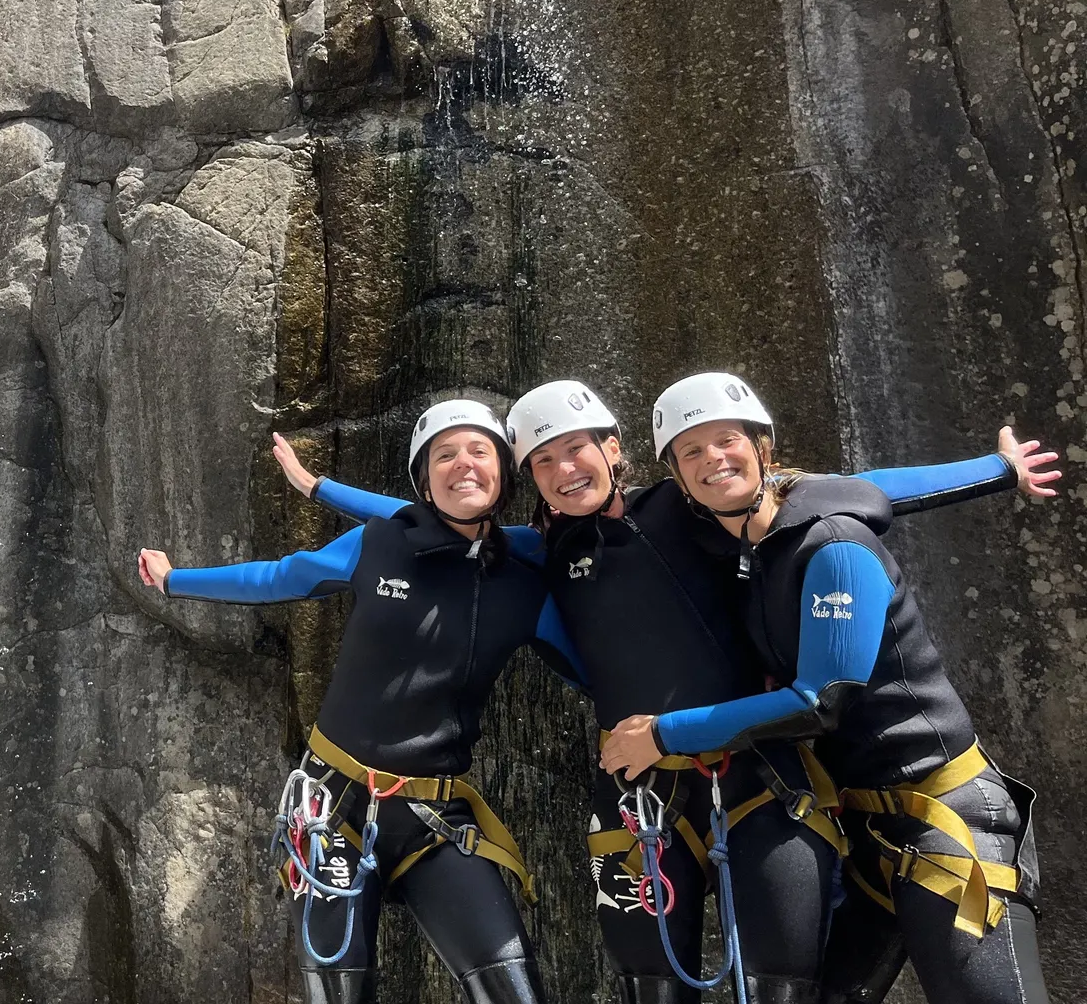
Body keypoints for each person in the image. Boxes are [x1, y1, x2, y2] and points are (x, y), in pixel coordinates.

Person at [274, 380, 1058, 1004]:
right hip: (638, 801)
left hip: (761, 780)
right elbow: (429, 518)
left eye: (578, 450)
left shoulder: (693, 512)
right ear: (529, 483)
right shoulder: (543, 553)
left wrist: (995, 471)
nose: (565, 470)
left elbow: (848, 489)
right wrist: (322, 491)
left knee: (782, 988)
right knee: (651, 987)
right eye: (544, 462)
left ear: (616, 451)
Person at [600, 372, 1055, 1004]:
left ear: (763, 447)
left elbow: (821, 700)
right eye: (691, 452)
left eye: (726, 441)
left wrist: (662, 734)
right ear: (678, 479)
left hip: (945, 819)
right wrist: (998, 470)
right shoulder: (749, 544)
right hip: (869, 833)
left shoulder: (835, 543)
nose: (712, 460)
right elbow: (880, 486)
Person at [138, 400, 579, 1004]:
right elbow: (279, 577)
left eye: (479, 451)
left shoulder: (527, 584)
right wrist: (175, 579)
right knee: (339, 989)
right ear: (425, 481)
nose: (463, 465)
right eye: (444, 456)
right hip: (332, 805)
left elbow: (597, 674)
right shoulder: (379, 544)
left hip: (433, 816)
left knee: (513, 988)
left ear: (505, 471)